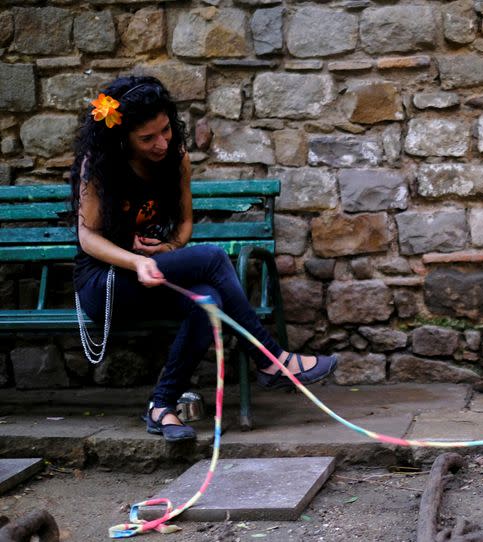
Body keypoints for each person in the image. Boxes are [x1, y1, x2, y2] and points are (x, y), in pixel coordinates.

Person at [69, 75, 337, 442]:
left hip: (148, 276)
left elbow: (184, 224)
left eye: (165, 130)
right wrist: (136, 262)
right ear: (122, 138)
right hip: (105, 283)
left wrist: (167, 250)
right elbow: (87, 237)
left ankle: (161, 407)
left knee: (208, 302)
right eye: (147, 139)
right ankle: (272, 360)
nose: (161, 143)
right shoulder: (99, 166)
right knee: (212, 259)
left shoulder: (175, 158)